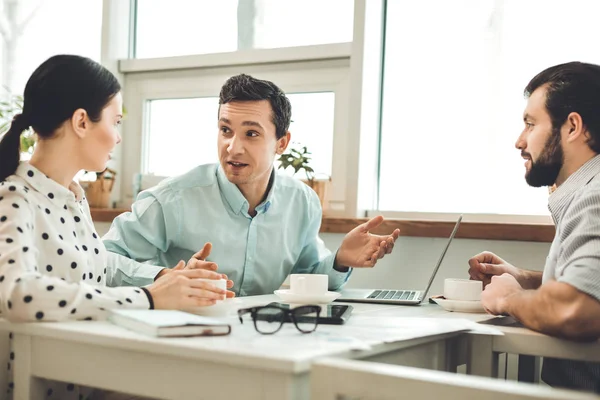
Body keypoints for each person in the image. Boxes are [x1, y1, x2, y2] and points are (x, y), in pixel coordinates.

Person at [0, 54, 232, 399]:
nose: (118, 137)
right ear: (81, 121)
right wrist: (149, 298)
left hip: (92, 378)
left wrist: (166, 280)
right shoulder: (15, 198)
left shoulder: (73, 198)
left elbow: (98, 274)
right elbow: (19, 294)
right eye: (116, 121)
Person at [103, 74, 401, 296]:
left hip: (259, 339)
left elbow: (308, 276)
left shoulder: (302, 202)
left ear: (281, 142)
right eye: (225, 130)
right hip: (182, 338)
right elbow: (102, 260)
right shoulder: (171, 199)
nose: (233, 147)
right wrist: (166, 277)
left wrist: (340, 260)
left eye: (252, 134)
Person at [468, 62, 600, 393]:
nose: (519, 141)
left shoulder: (595, 196)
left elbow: (577, 309)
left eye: (530, 124)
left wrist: (510, 299)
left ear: (572, 127)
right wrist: (526, 278)